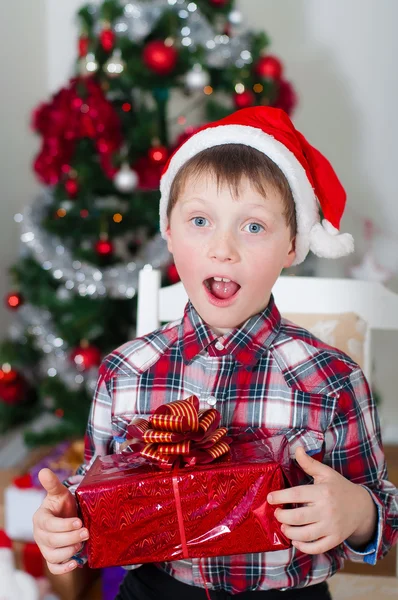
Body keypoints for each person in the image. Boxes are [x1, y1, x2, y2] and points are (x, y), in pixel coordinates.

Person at [33, 107, 398, 599]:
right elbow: (92, 500)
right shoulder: (124, 373)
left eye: (253, 227)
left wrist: (356, 512)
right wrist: (66, 525)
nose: (223, 248)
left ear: (293, 245)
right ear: (169, 231)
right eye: (200, 220)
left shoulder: (331, 380)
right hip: (157, 588)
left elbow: (385, 516)